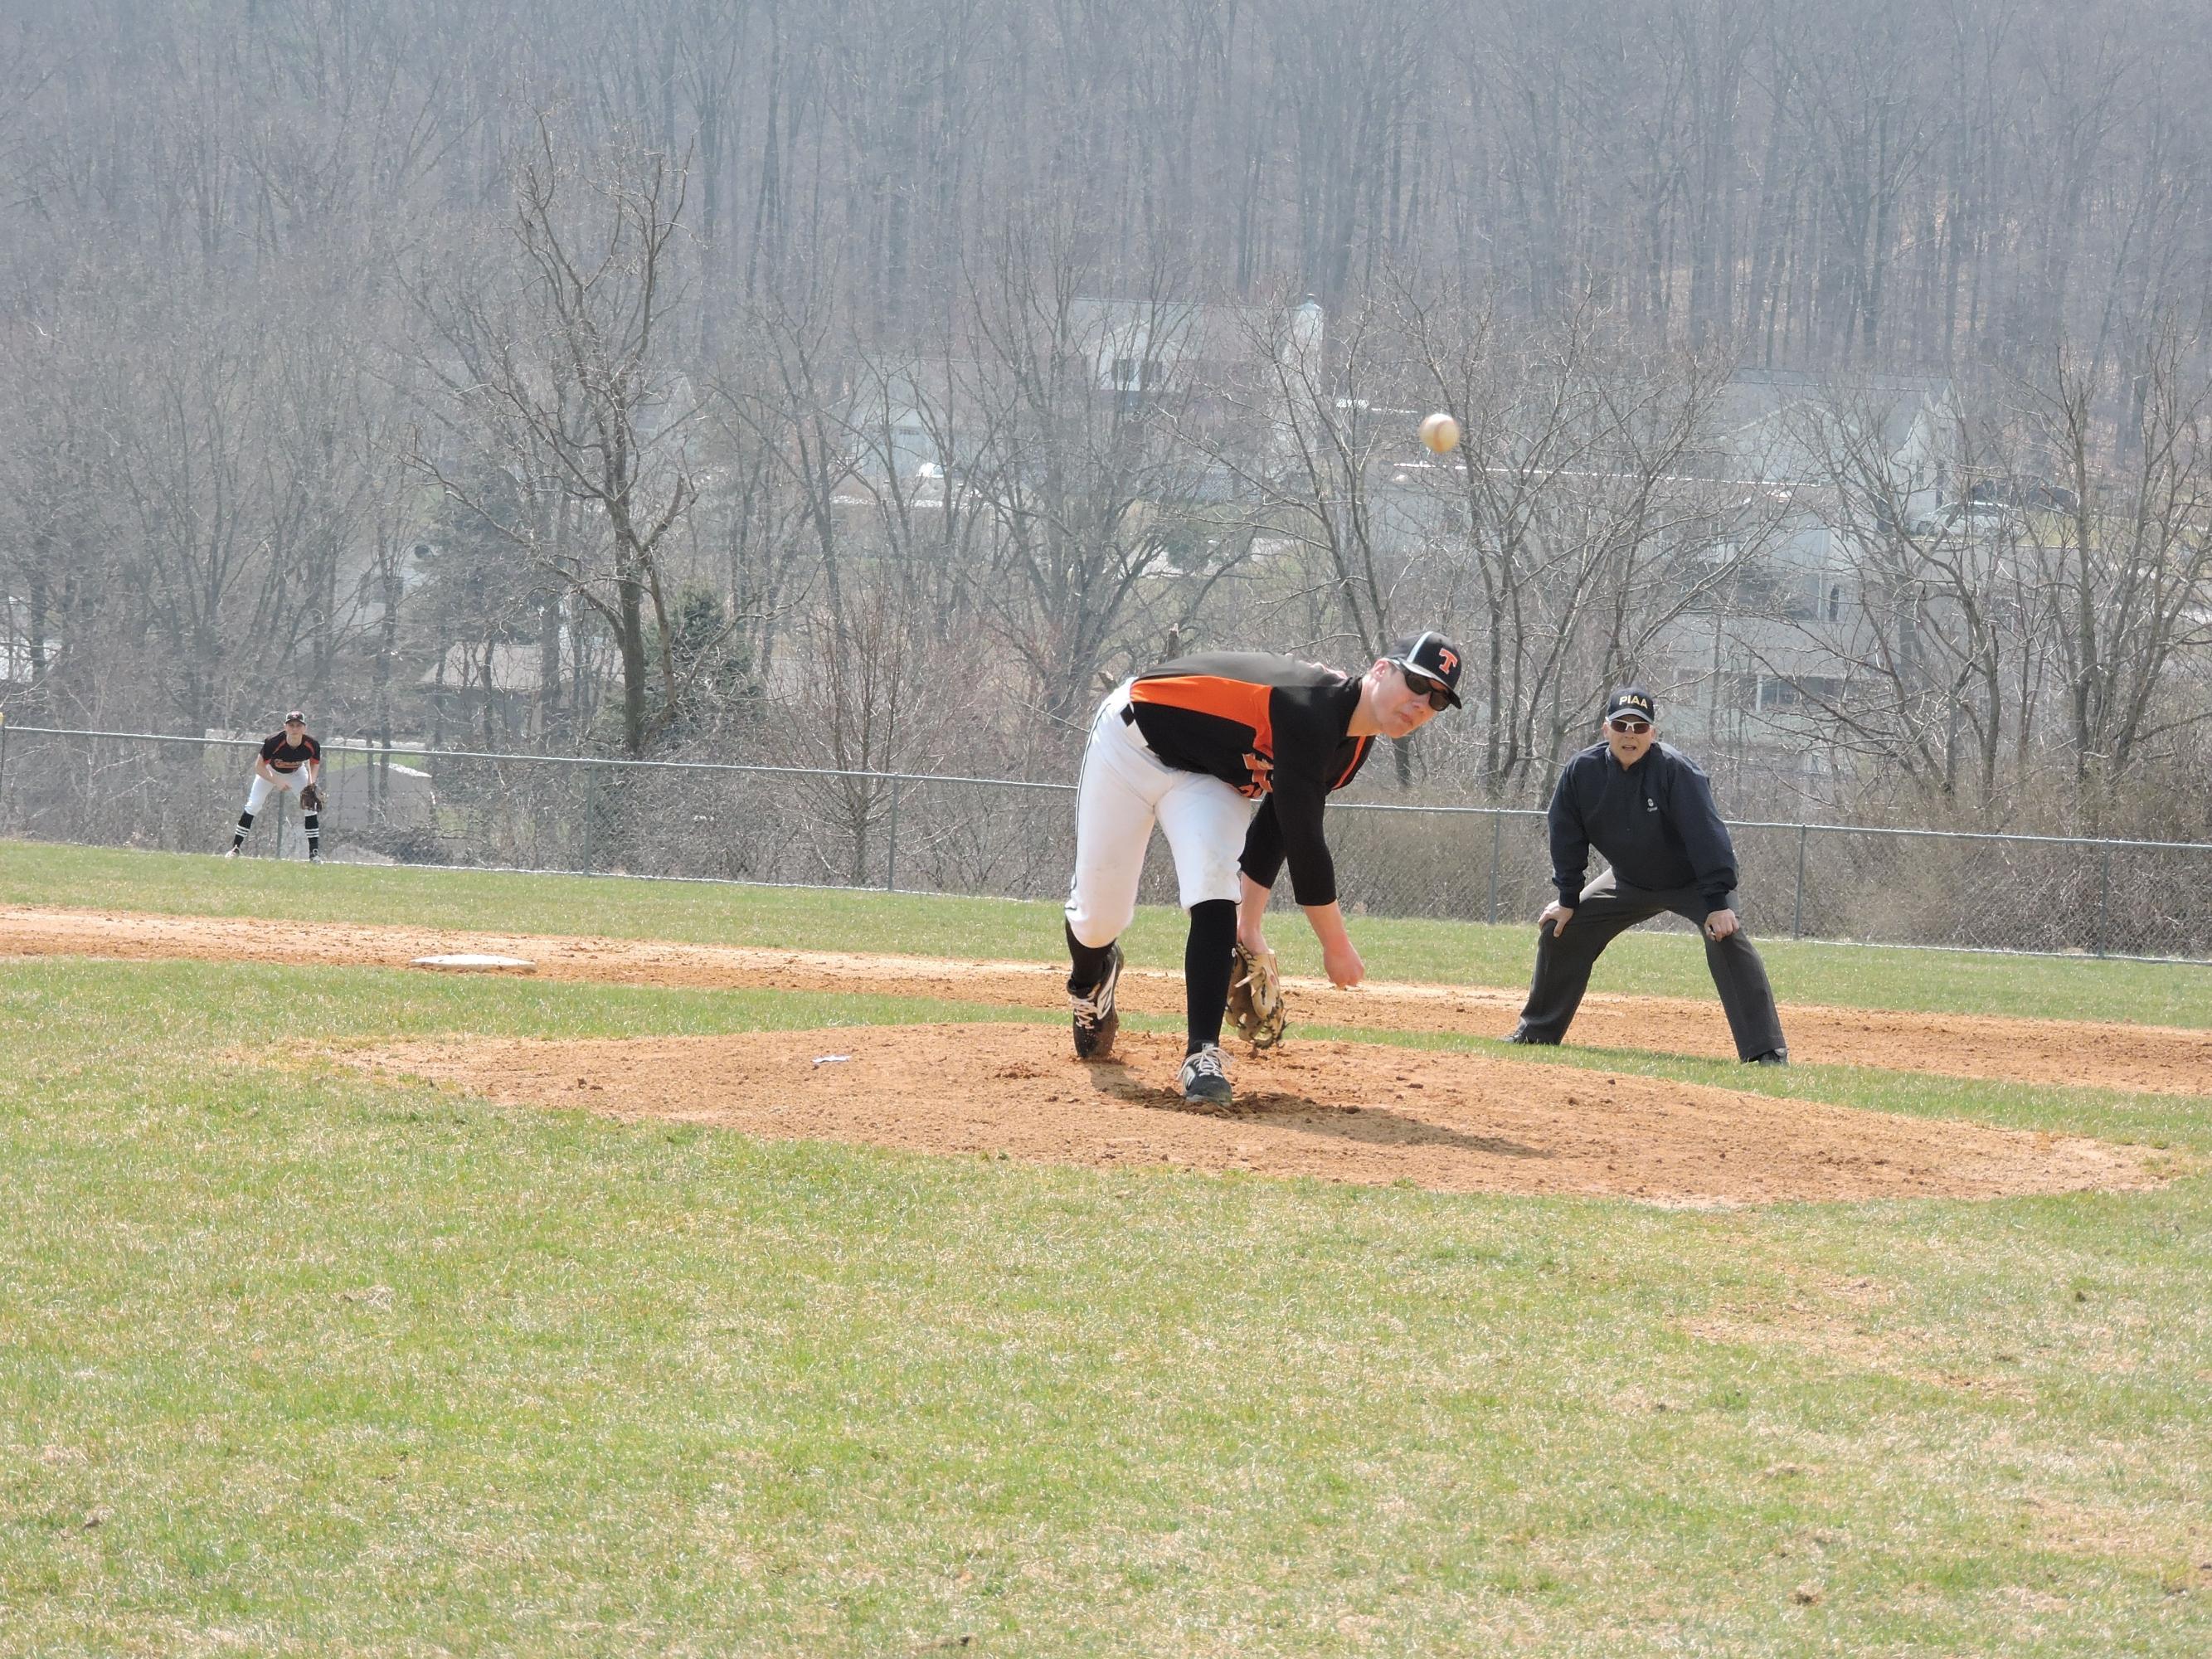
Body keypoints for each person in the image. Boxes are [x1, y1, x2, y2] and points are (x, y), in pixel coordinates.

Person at [1064, 632, 1465, 1105]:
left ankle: (1202, 1056)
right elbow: (1305, 844)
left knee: (1215, 891)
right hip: (1131, 741)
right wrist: (1336, 946)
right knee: (1099, 917)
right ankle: (1091, 979)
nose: (1422, 702)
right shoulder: (1310, 707)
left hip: (1209, 777)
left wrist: (1248, 926)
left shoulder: (1351, 745)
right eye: (1417, 682)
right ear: (1381, 669)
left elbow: (1278, 823)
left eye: (1438, 699)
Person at [1506, 687, 1788, 1064]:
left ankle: (1765, 1052)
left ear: (1652, 734)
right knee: (1560, 930)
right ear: (1606, 729)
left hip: (1693, 884)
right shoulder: (1582, 772)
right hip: (1629, 881)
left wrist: (1719, 903)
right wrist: (1568, 899)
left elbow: (1707, 837)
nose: (1630, 734)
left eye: (1640, 727)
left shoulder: (1677, 771)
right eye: (1621, 724)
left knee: (1727, 939)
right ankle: (1537, 1033)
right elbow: (1565, 836)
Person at [226, 711, 323, 862]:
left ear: (305, 728)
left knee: (310, 807)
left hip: (297, 772)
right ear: (285, 727)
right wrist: (277, 781)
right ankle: (235, 848)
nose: (295, 729)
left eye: (298, 725)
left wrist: (311, 783)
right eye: (291, 725)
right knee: (254, 805)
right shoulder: (273, 741)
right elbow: (259, 767)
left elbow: (314, 764)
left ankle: (314, 854)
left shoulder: (312, 744)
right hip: (270, 772)